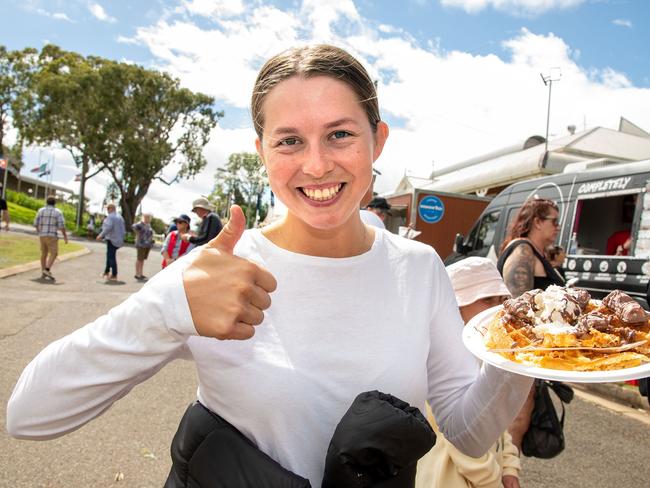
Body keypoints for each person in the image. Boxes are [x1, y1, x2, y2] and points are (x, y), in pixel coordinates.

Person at [7, 45, 532, 487]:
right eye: (289, 140)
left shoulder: (419, 269)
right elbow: (28, 415)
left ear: (379, 139)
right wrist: (167, 309)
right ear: (261, 151)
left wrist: (524, 355)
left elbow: (466, 431)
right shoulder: (217, 271)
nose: (317, 164)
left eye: (340, 134)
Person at [417, 257, 520, 488]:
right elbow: (460, 443)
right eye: (486, 300)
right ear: (455, 305)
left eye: (501, 299)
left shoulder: (489, 351)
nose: (497, 308)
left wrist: (510, 465)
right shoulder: (439, 361)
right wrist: (493, 480)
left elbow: (496, 418)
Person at [496, 197, 565, 452]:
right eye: (553, 221)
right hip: (523, 353)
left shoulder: (534, 252)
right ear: (537, 221)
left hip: (535, 352)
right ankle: (505, 475)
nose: (557, 226)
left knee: (523, 415)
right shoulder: (523, 251)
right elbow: (516, 309)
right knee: (518, 418)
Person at [33, 195, 68, 281]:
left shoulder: (40, 210)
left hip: (42, 235)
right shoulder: (58, 212)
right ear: (54, 203)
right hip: (52, 235)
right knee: (54, 253)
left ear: (46, 202)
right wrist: (65, 236)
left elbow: (35, 223)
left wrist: (39, 231)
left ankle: (43, 271)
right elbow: (61, 225)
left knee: (44, 253)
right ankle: (47, 269)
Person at [96, 203, 126, 282]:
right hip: (118, 240)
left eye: (107, 209)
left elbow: (108, 228)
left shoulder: (110, 217)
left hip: (111, 239)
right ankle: (106, 272)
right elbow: (123, 230)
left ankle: (114, 274)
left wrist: (101, 235)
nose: (107, 211)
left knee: (111, 257)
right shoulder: (120, 217)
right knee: (109, 256)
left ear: (110, 209)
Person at [133, 213, 154, 281]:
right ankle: (137, 274)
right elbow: (134, 227)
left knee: (142, 260)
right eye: (147, 217)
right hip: (141, 244)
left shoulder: (148, 224)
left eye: (149, 217)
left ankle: (141, 273)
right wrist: (138, 234)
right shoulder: (140, 223)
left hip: (147, 245)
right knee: (139, 259)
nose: (148, 218)